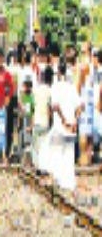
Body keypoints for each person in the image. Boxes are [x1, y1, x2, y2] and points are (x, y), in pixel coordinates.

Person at [40, 62, 78, 191]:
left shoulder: (55, 87)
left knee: (53, 151)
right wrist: (74, 121)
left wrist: (64, 121)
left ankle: (56, 180)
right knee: (68, 155)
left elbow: (55, 106)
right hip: (71, 127)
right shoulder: (72, 87)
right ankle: (68, 184)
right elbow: (80, 106)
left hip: (60, 127)